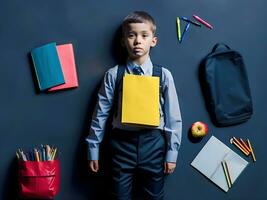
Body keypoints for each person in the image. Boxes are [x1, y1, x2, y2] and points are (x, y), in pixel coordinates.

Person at [86, 11, 182, 200]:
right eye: (131, 35)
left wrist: (172, 153)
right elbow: (101, 114)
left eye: (144, 35)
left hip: (154, 144)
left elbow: (173, 116)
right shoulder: (114, 75)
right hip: (121, 145)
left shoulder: (163, 75)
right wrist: (93, 149)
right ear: (123, 41)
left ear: (153, 41)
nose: (137, 41)